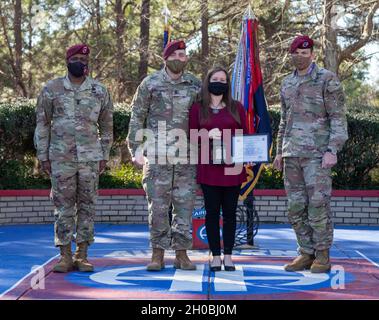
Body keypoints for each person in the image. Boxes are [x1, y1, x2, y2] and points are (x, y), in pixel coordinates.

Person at [34, 44, 114, 273]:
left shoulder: (99, 90)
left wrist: (104, 154)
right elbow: (43, 123)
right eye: (76, 58)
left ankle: (82, 254)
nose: (81, 62)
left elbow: (107, 125)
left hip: (90, 158)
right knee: (63, 207)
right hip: (61, 158)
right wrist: (43, 155)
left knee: (87, 206)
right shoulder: (52, 88)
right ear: (68, 61)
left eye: (84, 59)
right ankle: (65, 255)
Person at [273, 35, 348, 273]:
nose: (300, 57)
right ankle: (306, 252)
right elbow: (284, 120)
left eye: (304, 53)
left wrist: (332, 150)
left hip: (317, 155)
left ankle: (322, 255)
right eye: (296, 53)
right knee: (295, 207)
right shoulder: (287, 83)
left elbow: (337, 116)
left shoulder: (327, 79)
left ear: (312, 54)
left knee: (317, 205)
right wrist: (278, 153)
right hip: (291, 154)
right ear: (291, 55)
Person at [127, 40, 201, 271]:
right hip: (157, 155)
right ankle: (157, 253)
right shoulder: (150, 83)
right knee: (158, 207)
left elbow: (205, 117)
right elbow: (137, 116)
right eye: (176, 55)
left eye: (183, 55)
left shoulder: (195, 85)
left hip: (187, 156)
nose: (180, 58)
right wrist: (135, 148)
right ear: (166, 58)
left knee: (184, 206)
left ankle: (182, 254)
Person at [189, 66, 248, 271]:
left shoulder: (236, 107)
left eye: (223, 79)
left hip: (232, 169)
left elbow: (246, 136)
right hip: (209, 168)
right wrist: (207, 136)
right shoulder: (198, 108)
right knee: (212, 214)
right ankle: (215, 255)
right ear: (208, 81)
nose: (219, 82)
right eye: (215, 78)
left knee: (230, 213)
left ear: (228, 83)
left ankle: (229, 256)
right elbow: (191, 136)